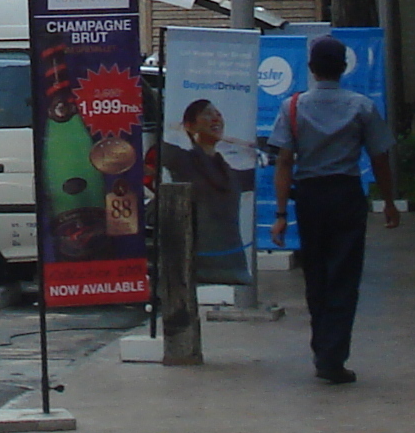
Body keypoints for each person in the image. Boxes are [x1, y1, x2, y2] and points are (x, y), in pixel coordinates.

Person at [265, 35, 399, 385]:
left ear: (311, 69)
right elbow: (380, 157)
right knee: (345, 275)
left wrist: (280, 214)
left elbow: (283, 162)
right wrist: (387, 200)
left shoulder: (291, 107)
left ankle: (321, 346)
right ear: (343, 68)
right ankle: (333, 354)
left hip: (309, 197)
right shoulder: (362, 107)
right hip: (346, 194)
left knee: (316, 274)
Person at [152, 97, 247, 290]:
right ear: (190, 125)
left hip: (234, 264)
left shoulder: (231, 173)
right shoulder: (183, 160)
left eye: (218, 114)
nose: (216, 119)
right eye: (207, 114)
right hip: (200, 263)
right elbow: (154, 142)